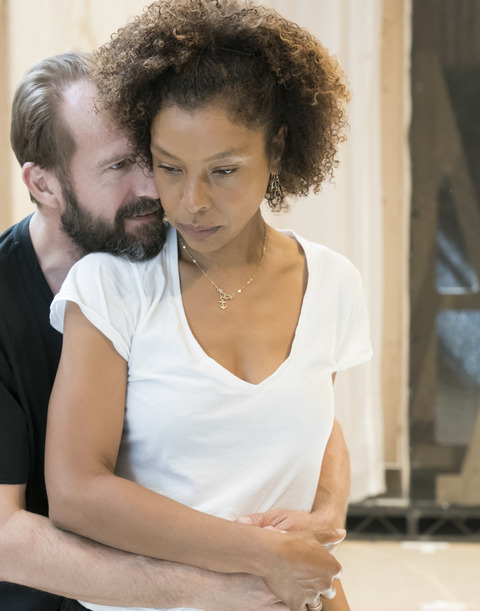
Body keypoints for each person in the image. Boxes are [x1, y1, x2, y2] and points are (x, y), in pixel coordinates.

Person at [0, 50, 349, 611]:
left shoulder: (178, 258)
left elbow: (297, 398)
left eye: (153, 160)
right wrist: (234, 585)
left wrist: (326, 516)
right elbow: (3, 545)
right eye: (118, 167)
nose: (153, 189)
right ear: (43, 185)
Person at [46, 2, 372, 611]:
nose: (191, 201)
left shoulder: (333, 283)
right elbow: (76, 492)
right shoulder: (111, 289)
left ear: (276, 150)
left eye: (223, 170)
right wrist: (260, 554)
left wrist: (327, 514)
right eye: (170, 168)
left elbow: (315, 419)